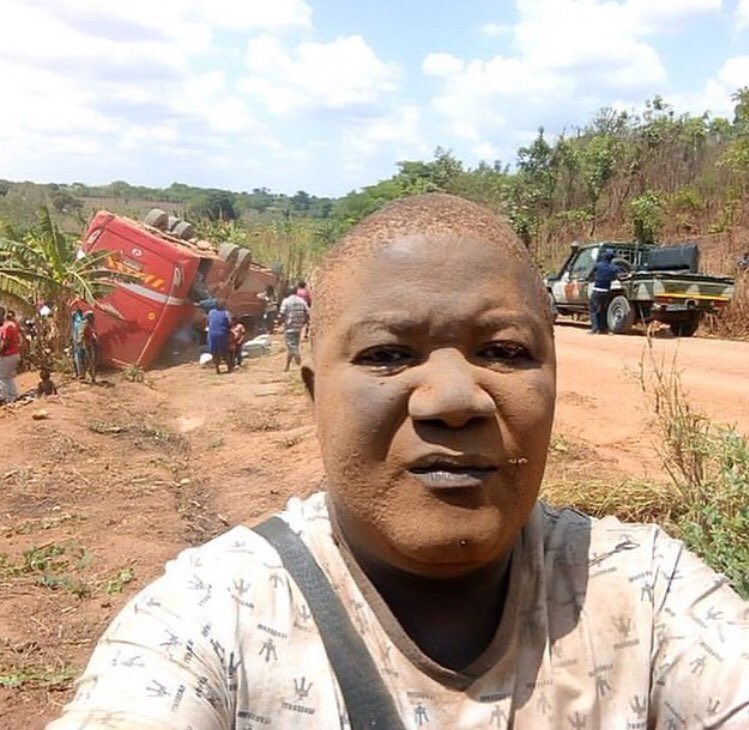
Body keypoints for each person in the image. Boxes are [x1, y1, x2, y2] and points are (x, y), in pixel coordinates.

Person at [47, 194, 748, 729]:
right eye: (387, 355)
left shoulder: (648, 597)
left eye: (503, 352)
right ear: (315, 396)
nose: (452, 399)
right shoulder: (206, 624)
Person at [588, 249, 623, 334]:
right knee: (604, 310)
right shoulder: (614, 267)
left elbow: (590, 275)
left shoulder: (598, 265)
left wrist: (593, 278)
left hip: (596, 291)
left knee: (593, 310)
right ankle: (604, 329)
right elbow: (619, 277)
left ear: (604, 256)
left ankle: (594, 329)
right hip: (606, 292)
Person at [279, 285, 309, 371]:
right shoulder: (302, 301)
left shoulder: (286, 301)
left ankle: (301, 365)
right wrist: (304, 322)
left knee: (292, 347)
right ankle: (287, 367)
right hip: (298, 327)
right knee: (293, 346)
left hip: (289, 327)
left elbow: (282, 313)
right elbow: (307, 312)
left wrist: (279, 322)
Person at [0, 308, 21, 403]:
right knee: (7, 377)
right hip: (14, 354)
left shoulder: (6, 327)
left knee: (2, 376)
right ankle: (13, 395)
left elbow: (5, 342)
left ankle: (4, 397)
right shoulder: (12, 325)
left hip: (8, 355)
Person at [207, 300, 232, 374]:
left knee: (215, 352)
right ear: (224, 306)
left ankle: (217, 368)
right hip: (222, 333)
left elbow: (208, 322)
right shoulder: (226, 313)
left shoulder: (211, 312)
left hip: (212, 334)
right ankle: (229, 367)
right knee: (225, 351)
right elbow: (230, 323)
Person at [77, 311, 99, 383]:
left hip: (90, 344)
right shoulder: (85, 323)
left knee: (91, 360)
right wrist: (80, 342)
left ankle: (91, 376)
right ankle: (86, 376)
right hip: (86, 345)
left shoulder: (91, 324)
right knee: (88, 360)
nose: (93, 317)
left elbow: (93, 333)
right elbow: (81, 333)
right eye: (92, 316)